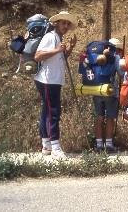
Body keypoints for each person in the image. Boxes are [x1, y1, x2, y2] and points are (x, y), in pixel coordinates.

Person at [34, 11, 77, 159]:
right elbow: (38, 56)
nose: (65, 26)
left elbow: (60, 58)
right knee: (54, 112)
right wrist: (58, 49)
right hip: (48, 80)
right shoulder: (50, 37)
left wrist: (69, 48)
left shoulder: (59, 38)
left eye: (67, 24)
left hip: (53, 80)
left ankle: (46, 145)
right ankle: (56, 148)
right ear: (56, 23)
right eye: (63, 23)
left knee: (47, 111)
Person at [93, 37, 124, 153]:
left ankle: (99, 144)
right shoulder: (116, 57)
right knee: (110, 117)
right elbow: (121, 73)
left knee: (99, 116)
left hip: (96, 89)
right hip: (110, 90)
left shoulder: (97, 55)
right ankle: (109, 144)